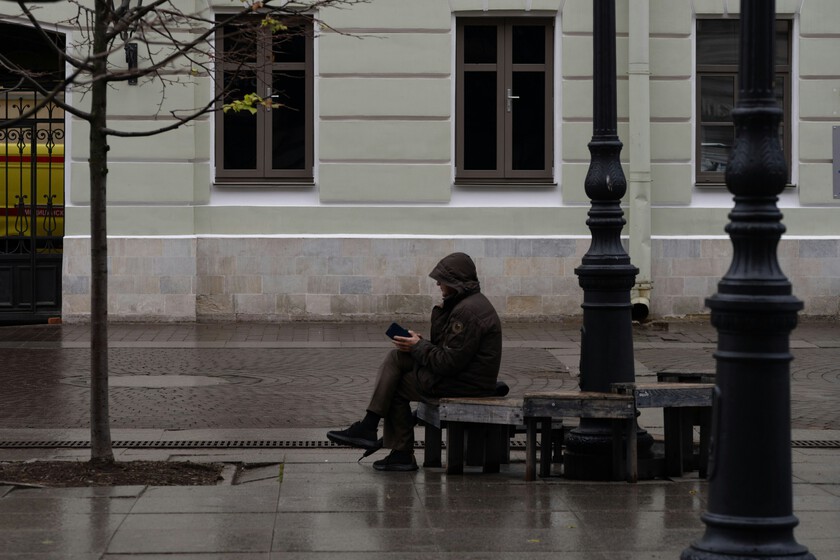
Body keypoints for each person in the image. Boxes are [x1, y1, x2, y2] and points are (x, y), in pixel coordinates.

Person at [327, 252, 503, 471]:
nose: (438, 284)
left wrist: (418, 346)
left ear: (455, 281)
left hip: (464, 385)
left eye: (442, 280)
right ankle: (372, 430)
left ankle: (393, 446)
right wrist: (418, 343)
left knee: (396, 385)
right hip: (465, 378)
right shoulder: (467, 304)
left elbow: (447, 362)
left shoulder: (467, 312)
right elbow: (450, 351)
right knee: (398, 357)